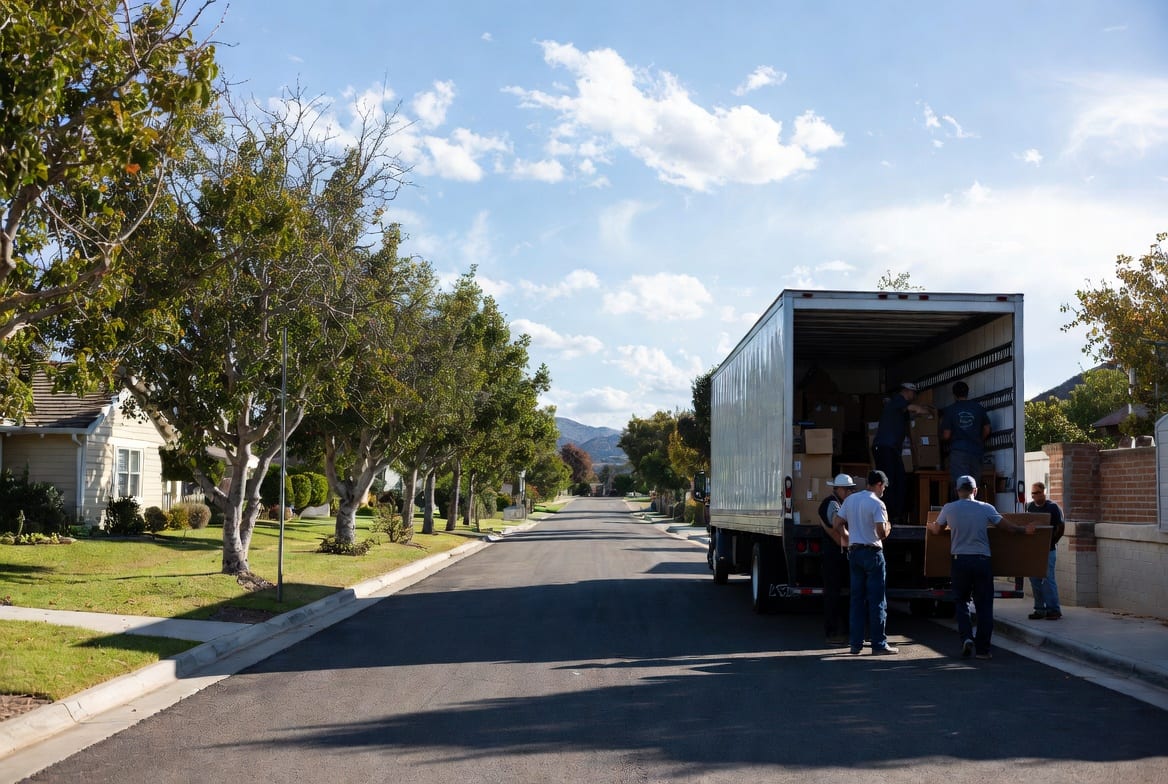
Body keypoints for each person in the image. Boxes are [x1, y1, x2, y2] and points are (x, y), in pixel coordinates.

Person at [928, 475, 1035, 660]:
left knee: (961, 602)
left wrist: (931, 527)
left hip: (960, 560)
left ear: (957, 490)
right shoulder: (986, 508)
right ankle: (983, 650)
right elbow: (1006, 527)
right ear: (975, 491)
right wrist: (1024, 530)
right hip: (982, 561)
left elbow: (938, 530)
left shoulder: (949, 508)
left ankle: (966, 638)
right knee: (984, 605)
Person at [833, 470, 898, 655]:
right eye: (883, 486)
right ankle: (878, 644)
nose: (884, 490)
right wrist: (889, 527)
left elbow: (837, 523)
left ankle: (855, 644)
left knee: (856, 600)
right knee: (877, 600)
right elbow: (881, 533)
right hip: (873, 553)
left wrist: (848, 535)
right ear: (879, 484)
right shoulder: (877, 503)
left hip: (854, 552)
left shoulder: (851, 500)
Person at [871, 382, 930, 523]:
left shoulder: (901, 409)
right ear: (906, 391)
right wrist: (925, 411)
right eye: (913, 393)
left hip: (892, 449)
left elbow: (911, 423)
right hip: (885, 447)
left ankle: (896, 513)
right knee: (889, 481)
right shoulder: (898, 401)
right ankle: (888, 515)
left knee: (899, 480)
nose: (914, 396)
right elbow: (913, 408)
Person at [818, 473, 855, 646]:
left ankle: (842, 631)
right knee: (833, 594)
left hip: (838, 555)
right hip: (834, 556)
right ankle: (832, 633)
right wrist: (849, 539)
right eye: (846, 489)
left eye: (850, 489)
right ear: (837, 489)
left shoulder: (839, 502)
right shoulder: (832, 503)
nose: (849, 492)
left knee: (840, 594)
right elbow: (835, 523)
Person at [941, 380, 991, 499]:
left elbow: (946, 435)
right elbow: (987, 429)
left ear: (954, 395)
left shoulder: (950, 410)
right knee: (974, 486)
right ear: (968, 393)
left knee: (960, 485)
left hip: (959, 453)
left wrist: (940, 441)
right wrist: (979, 440)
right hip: (976, 452)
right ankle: (974, 514)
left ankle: (959, 515)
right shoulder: (978, 408)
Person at [1026, 481, 1065, 620]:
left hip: (1048, 550)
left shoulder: (1053, 507)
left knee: (1048, 580)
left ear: (1044, 492)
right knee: (1034, 580)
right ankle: (1039, 609)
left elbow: (1060, 527)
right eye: (1033, 493)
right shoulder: (1030, 507)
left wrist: (1053, 541)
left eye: (1037, 492)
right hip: (1034, 550)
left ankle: (1053, 609)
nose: (1034, 495)